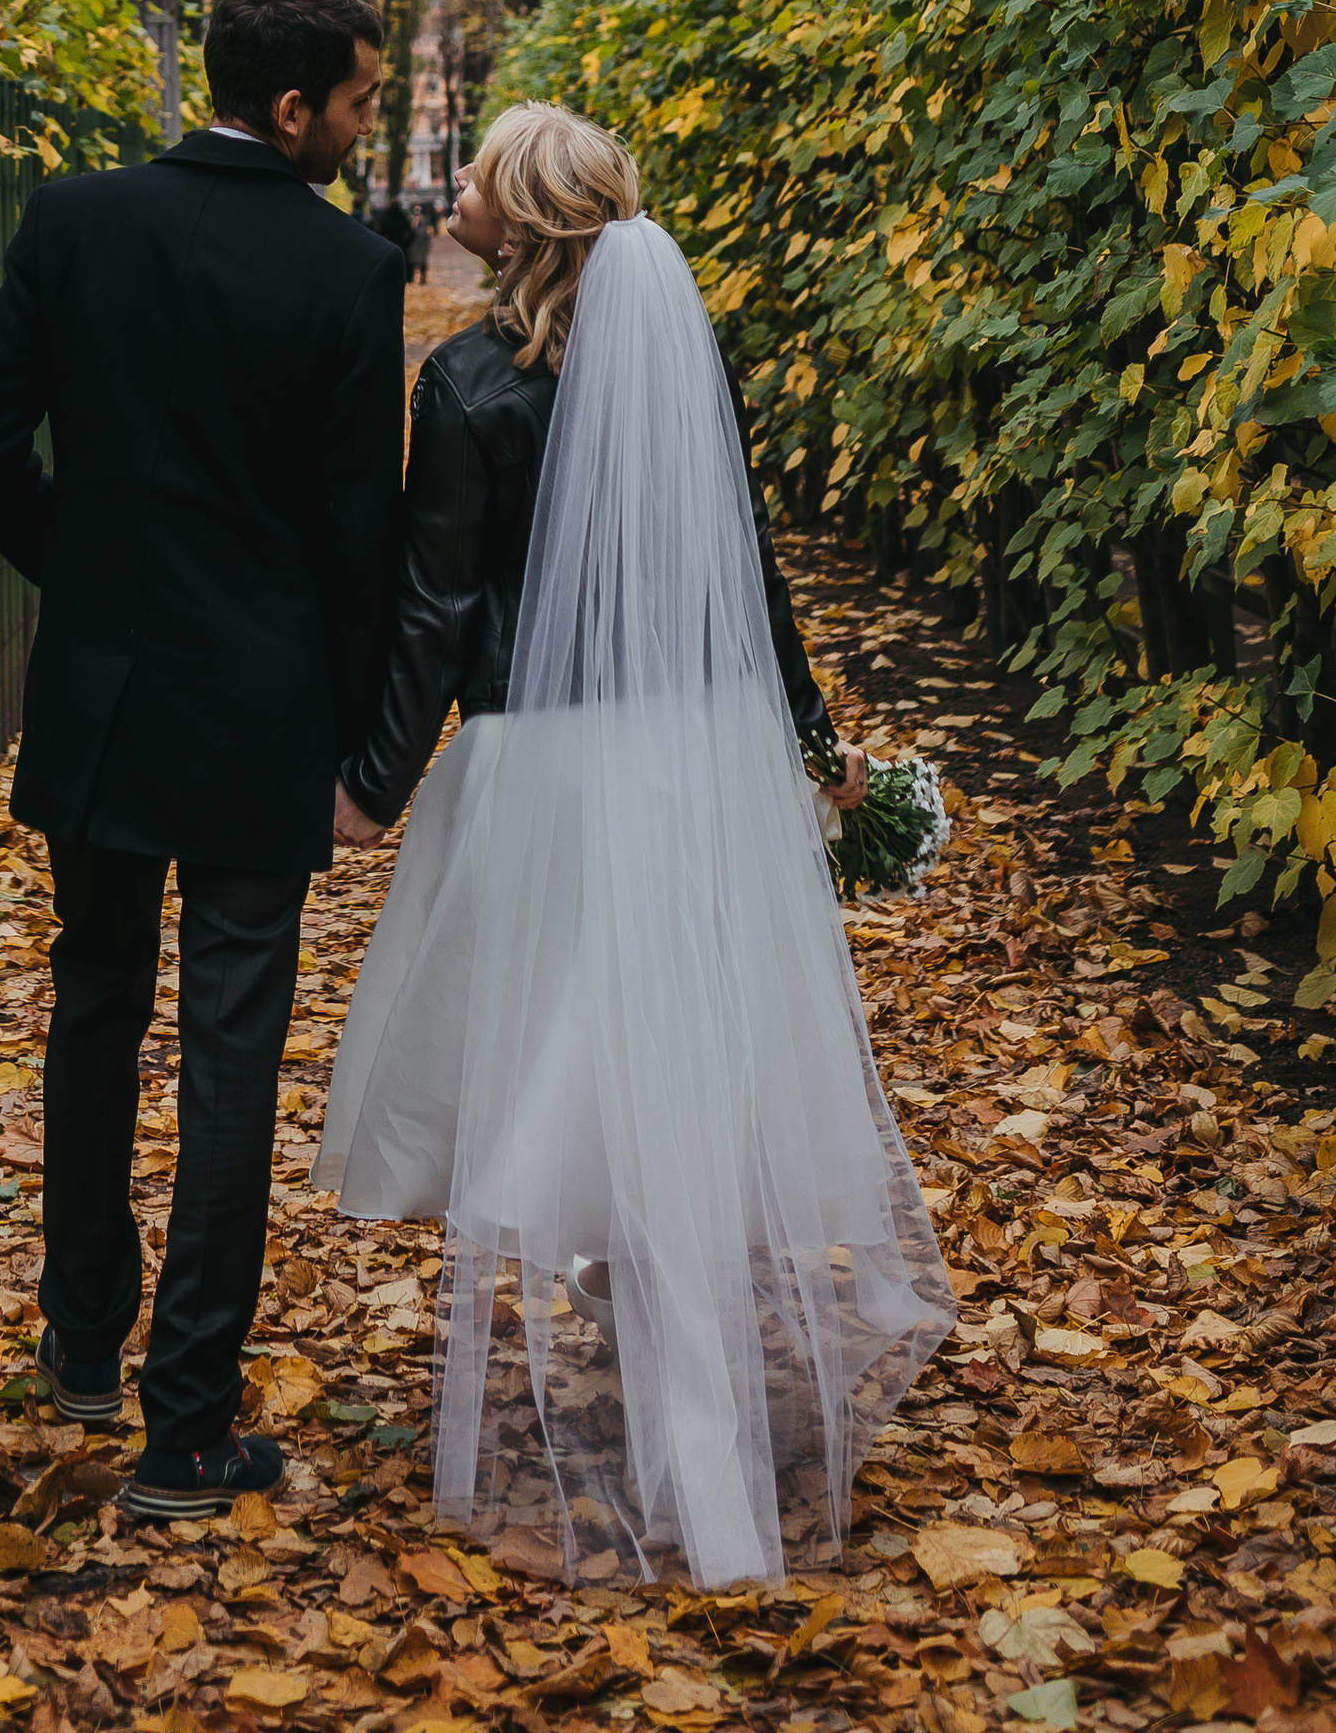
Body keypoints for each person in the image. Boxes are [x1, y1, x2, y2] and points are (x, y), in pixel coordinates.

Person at [315, 103, 951, 1587]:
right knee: (662, 1062)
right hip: (693, 756)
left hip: (547, 768)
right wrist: (807, 736)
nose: (452, 185)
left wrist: (373, 780)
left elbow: (437, 610)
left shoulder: (467, 384)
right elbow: (750, 567)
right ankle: (689, 1398)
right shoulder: (674, 359)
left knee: (566, 1068)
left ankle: (685, 1439)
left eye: (475, 170)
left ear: (520, 217)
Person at [0, 0, 406, 1521]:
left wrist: (80, 572)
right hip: (262, 714)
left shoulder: (78, 221)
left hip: (112, 691)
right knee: (229, 1056)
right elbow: (357, 533)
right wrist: (355, 733)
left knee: (91, 1011)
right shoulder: (348, 270)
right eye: (352, 102)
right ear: (289, 111)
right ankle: (187, 1428)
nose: (361, 126)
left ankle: (81, 1341)